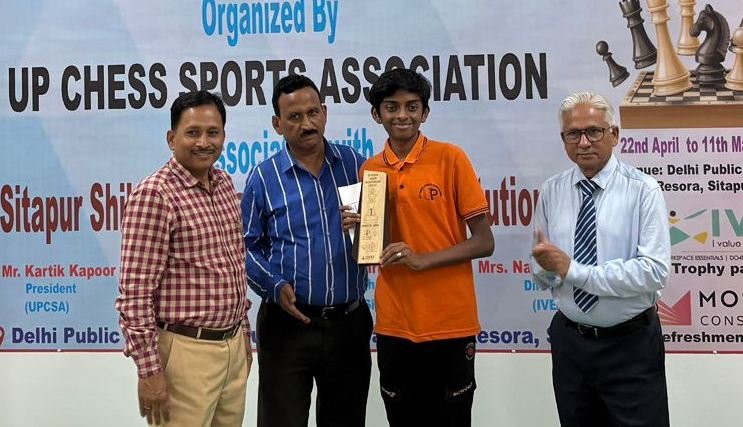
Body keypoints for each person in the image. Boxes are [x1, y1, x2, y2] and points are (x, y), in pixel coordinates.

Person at [354, 68, 494, 427]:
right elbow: (374, 250)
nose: (402, 115)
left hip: (450, 322)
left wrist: (422, 260)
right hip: (394, 324)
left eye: (412, 106)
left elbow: (484, 242)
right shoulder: (370, 170)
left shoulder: (451, 158)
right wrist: (356, 229)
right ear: (376, 114)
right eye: (391, 107)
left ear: (425, 113)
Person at [531, 91, 671, 427]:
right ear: (563, 139)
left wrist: (573, 271)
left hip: (630, 346)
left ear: (614, 134)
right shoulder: (552, 190)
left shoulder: (643, 190)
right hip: (570, 344)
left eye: (594, 131)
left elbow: (653, 272)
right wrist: (547, 269)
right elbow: (543, 269)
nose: (583, 143)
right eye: (573, 134)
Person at [241, 74, 372, 427]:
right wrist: (273, 285)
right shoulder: (263, 177)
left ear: (325, 113)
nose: (307, 124)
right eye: (295, 117)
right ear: (277, 124)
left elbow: (380, 229)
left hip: (349, 324)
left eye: (313, 113)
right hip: (287, 326)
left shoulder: (356, 165)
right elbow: (246, 247)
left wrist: (369, 228)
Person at [115, 90, 251, 426]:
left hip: (232, 348)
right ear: (171, 138)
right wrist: (149, 371)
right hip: (185, 353)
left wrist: (243, 338)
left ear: (223, 136)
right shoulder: (155, 194)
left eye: (213, 132)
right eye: (193, 133)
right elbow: (135, 294)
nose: (204, 142)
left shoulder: (223, 184)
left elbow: (234, 267)